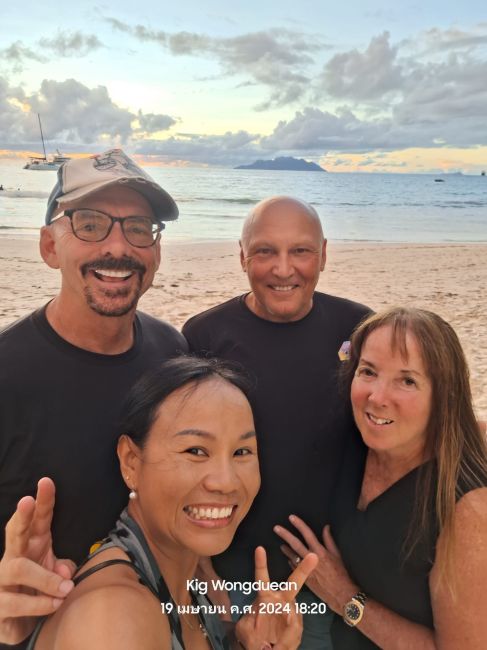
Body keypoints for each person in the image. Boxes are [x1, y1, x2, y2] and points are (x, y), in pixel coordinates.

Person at [0, 149, 187, 647]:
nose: (118, 247)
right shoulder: (7, 372)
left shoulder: (173, 352)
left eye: (139, 227)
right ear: (48, 246)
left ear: (157, 249)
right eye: (89, 223)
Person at [26, 356, 318, 650]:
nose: (226, 482)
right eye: (195, 450)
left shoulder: (180, 580)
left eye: (242, 452)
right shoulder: (114, 618)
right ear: (131, 462)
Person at [182, 196, 370, 648]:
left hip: (328, 581)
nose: (283, 269)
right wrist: (199, 568)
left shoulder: (357, 328)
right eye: (265, 251)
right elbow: (183, 457)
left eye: (300, 251)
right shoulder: (203, 336)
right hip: (228, 579)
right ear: (242, 255)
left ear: (323, 254)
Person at [275, 307, 487, 649]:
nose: (377, 397)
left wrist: (345, 597)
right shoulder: (359, 444)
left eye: (407, 380)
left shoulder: (467, 508)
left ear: (444, 394)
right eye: (368, 372)